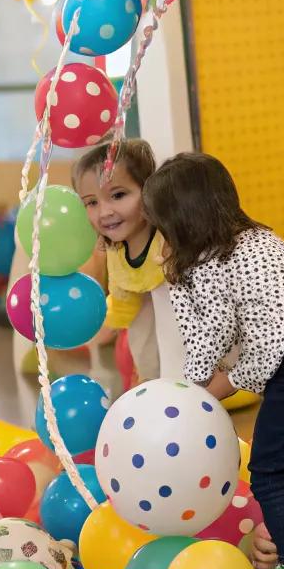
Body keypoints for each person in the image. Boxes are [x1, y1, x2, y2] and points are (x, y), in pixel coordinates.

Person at [142, 152, 284, 569]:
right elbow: (210, 327)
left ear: (179, 224)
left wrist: (190, 390)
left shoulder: (207, 260)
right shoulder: (253, 238)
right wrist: (177, 279)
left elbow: (212, 333)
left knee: (269, 471)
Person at [73, 138, 182, 385]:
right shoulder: (116, 251)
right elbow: (123, 295)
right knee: (144, 352)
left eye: (118, 195)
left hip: (189, 340)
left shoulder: (169, 239)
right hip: (152, 357)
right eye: (92, 202)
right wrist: (111, 324)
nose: (105, 212)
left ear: (148, 190)